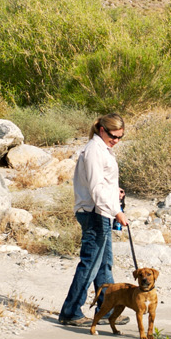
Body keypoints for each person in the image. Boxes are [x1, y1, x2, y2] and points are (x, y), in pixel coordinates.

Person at [58, 113, 128, 324]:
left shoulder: (102, 150)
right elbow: (96, 189)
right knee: (90, 264)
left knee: (104, 264)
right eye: (113, 136)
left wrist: (115, 191)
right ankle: (70, 312)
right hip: (94, 213)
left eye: (119, 137)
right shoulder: (93, 151)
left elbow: (102, 184)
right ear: (102, 130)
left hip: (101, 212)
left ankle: (106, 309)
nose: (115, 141)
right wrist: (117, 212)